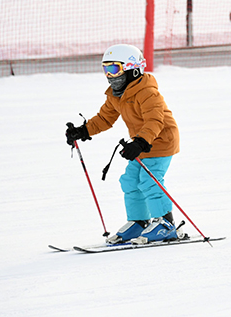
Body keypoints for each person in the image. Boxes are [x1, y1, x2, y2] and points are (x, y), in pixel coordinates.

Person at [65, 44, 181, 244]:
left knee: (149, 180)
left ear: (132, 69)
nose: (110, 75)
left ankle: (165, 224)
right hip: (141, 143)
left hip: (160, 141)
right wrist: (83, 131)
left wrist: (141, 141)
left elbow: (155, 120)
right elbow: (104, 118)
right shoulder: (116, 94)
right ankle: (139, 222)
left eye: (114, 69)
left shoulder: (147, 92)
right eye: (106, 69)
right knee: (129, 181)